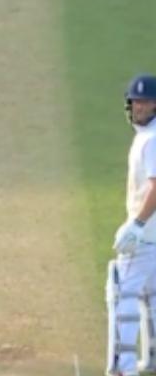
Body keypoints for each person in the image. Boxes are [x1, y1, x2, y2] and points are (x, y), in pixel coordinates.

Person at [107, 75, 156, 376]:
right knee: (152, 298)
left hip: (145, 238)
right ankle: (152, 358)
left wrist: (137, 224)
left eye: (146, 102)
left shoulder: (151, 140)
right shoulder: (149, 136)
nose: (139, 107)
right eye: (136, 102)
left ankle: (123, 369)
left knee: (121, 295)